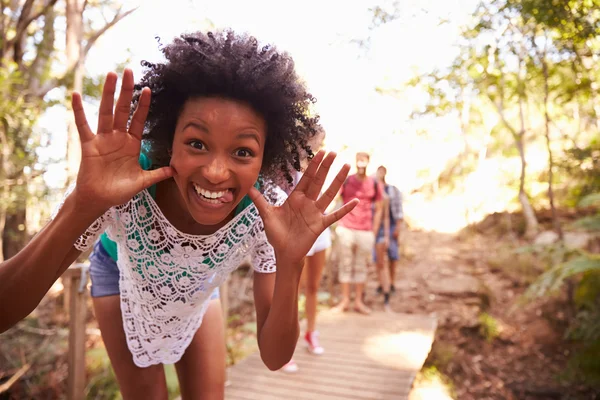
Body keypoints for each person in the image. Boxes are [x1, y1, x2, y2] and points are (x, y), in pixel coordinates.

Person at [0, 30, 358, 400]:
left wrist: (291, 262)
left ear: (265, 159)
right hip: (122, 269)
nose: (216, 172)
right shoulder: (125, 185)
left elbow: (274, 356)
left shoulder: (266, 215)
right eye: (197, 143)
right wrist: (84, 204)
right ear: (170, 140)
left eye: (242, 152)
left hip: (199, 284)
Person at [281, 128, 331, 373]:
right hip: (297, 232)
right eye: (315, 139)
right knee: (294, 290)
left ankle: (311, 333)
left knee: (313, 287)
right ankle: (285, 347)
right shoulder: (286, 166)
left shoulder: (319, 163)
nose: (318, 143)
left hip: (320, 229)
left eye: (320, 140)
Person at [334, 152, 384, 315]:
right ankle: (345, 300)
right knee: (346, 264)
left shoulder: (374, 184)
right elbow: (337, 201)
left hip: (365, 230)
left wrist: (374, 230)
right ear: (356, 162)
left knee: (361, 265)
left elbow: (379, 208)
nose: (361, 163)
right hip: (347, 228)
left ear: (368, 162)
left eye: (364, 161)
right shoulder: (347, 181)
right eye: (359, 160)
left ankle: (358, 302)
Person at [373, 165, 403, 311]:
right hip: (374, 228)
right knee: (379, 260)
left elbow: (394, 212)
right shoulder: (372, 189)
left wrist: (396, 227)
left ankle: (391, 284)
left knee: (392, 255)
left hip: (389, 226)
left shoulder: (392, 191)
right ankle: (384, 286)